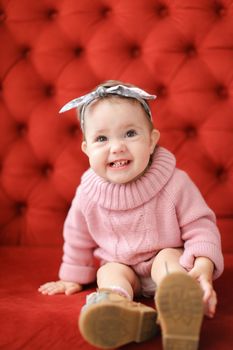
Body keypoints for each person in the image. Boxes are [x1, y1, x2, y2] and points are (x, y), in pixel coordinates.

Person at [39, 80, 224, 350]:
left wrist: (203, 265)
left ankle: (180, 299)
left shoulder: (174, 182)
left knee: (169, 260)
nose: (117, 147)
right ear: (86, 149)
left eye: (130, 134)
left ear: (151, 141)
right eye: (102, 138)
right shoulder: (88, 193)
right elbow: (77, 235)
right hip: (122, 265)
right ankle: (117, 308)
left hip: (165, 257)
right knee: (109, 273)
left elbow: (201, 226)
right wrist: (72, 276)